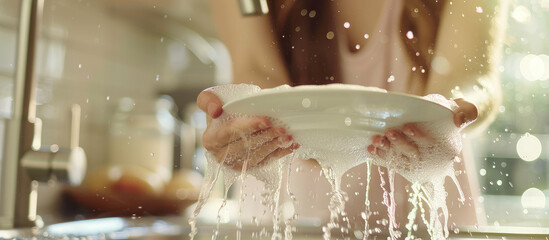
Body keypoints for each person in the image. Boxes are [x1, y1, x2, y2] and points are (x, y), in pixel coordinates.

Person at [197, 0, 507, 232]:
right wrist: (246, 122)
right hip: (289, 220)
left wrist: (449, 111)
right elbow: (256, 69)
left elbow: (469, 75)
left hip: (426, 219)